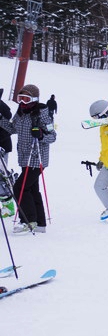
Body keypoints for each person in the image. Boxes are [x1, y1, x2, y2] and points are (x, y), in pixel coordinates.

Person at [0, 84, 56, 234]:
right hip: (25, 158)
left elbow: (53, 136)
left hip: (37, 158)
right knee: (32, 189)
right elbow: (12, 128)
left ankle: (28, 221)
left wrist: (42, 135)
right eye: (21, 99)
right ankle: (40, 223)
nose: (23, 103)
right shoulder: (20, 113)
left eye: (26, 99)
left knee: (19, 188)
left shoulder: (43, 114)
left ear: (35, 99)